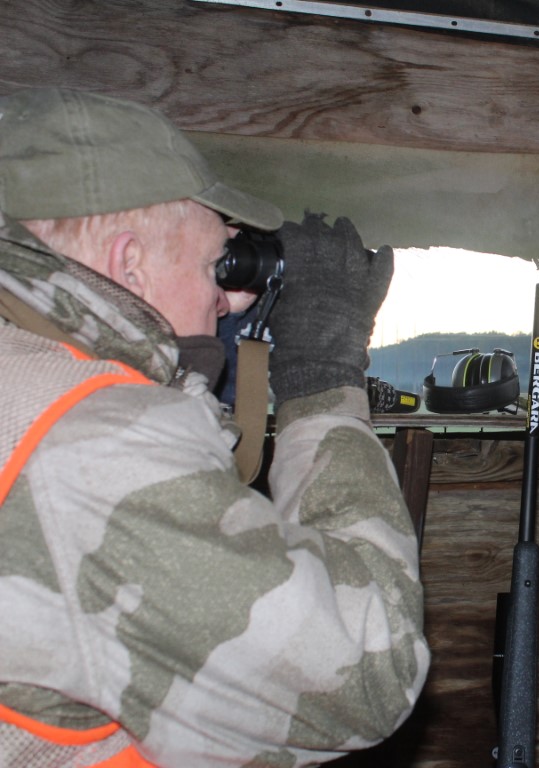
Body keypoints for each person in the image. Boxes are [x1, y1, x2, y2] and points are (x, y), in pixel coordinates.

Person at [0, 87, 428, 766]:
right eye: (213, 266)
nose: (232, 299)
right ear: (127, 262)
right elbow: (370, 671)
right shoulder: (90, 445)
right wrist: (321, 376)